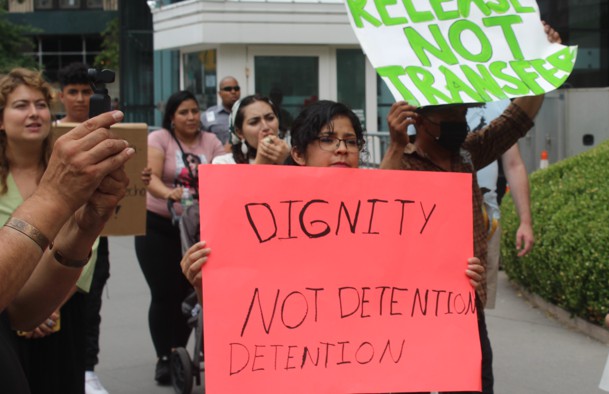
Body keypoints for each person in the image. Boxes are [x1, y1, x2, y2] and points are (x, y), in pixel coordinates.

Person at [381, 20, 560, 394]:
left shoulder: (466, 154)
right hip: (412, 306)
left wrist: (543, 64)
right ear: (421, 121)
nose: (461, 123)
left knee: (475, 384)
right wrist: (397, 144)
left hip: (465, 301)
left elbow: (516, 120)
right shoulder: (405, 161)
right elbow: (377, 205)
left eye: (464, 115)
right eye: (451, 118)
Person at [180, 99, 484, 304]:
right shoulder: (267, 221)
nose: (341, 149)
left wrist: (455, 280)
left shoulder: (390, 215)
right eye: (327, 140)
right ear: (297, 154)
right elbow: (244, 304)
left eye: (351, 141)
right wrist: (204, 285)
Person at [0, 68, 133, 393]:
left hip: (59, 311)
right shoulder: (63, 177)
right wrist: (54, 197)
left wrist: (85, 228)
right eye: (20, 106)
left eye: (40, 104)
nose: (33, 113)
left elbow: (21, 311)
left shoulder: (70, 165)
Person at [136, 90, 224, 385]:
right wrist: (169, 193)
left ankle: (178, 351)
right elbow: (154, 179)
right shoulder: (159, 139)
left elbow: (223, 173)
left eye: (195, 111)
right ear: (172, 117)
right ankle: (165, 355)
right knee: (164, 294)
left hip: (199, 228)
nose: (191, 117)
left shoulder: (210, 142)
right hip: (160, 226)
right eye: (184, 112)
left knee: (190, 294)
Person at [56, 62, 112, 394]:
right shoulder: (48, 135)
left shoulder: (107, 132)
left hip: (97, 236)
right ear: (61, 96)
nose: (80, 99)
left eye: (85, 92)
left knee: (90, 306)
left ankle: (88, 370)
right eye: (73, 92)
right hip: (55, 233)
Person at [466, 99, 535, 309]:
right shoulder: (428, 93)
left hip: (486, 219)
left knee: (479, 305)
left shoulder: (498, 100)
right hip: (439, 218)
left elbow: (513, 164)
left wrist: (526, 221)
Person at [212, 94, 289, 165]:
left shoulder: (296, 157)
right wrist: (260, 163)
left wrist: (287, 161)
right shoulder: (224, 163)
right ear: (240, 132)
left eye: (270, 118)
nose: (265, 127)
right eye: (254, 122)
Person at [201, 76, 241, 147]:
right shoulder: (208, 116)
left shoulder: (247, 113)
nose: (233, 92)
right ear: (220, 94)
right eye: (228, 89)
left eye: (236, 88)